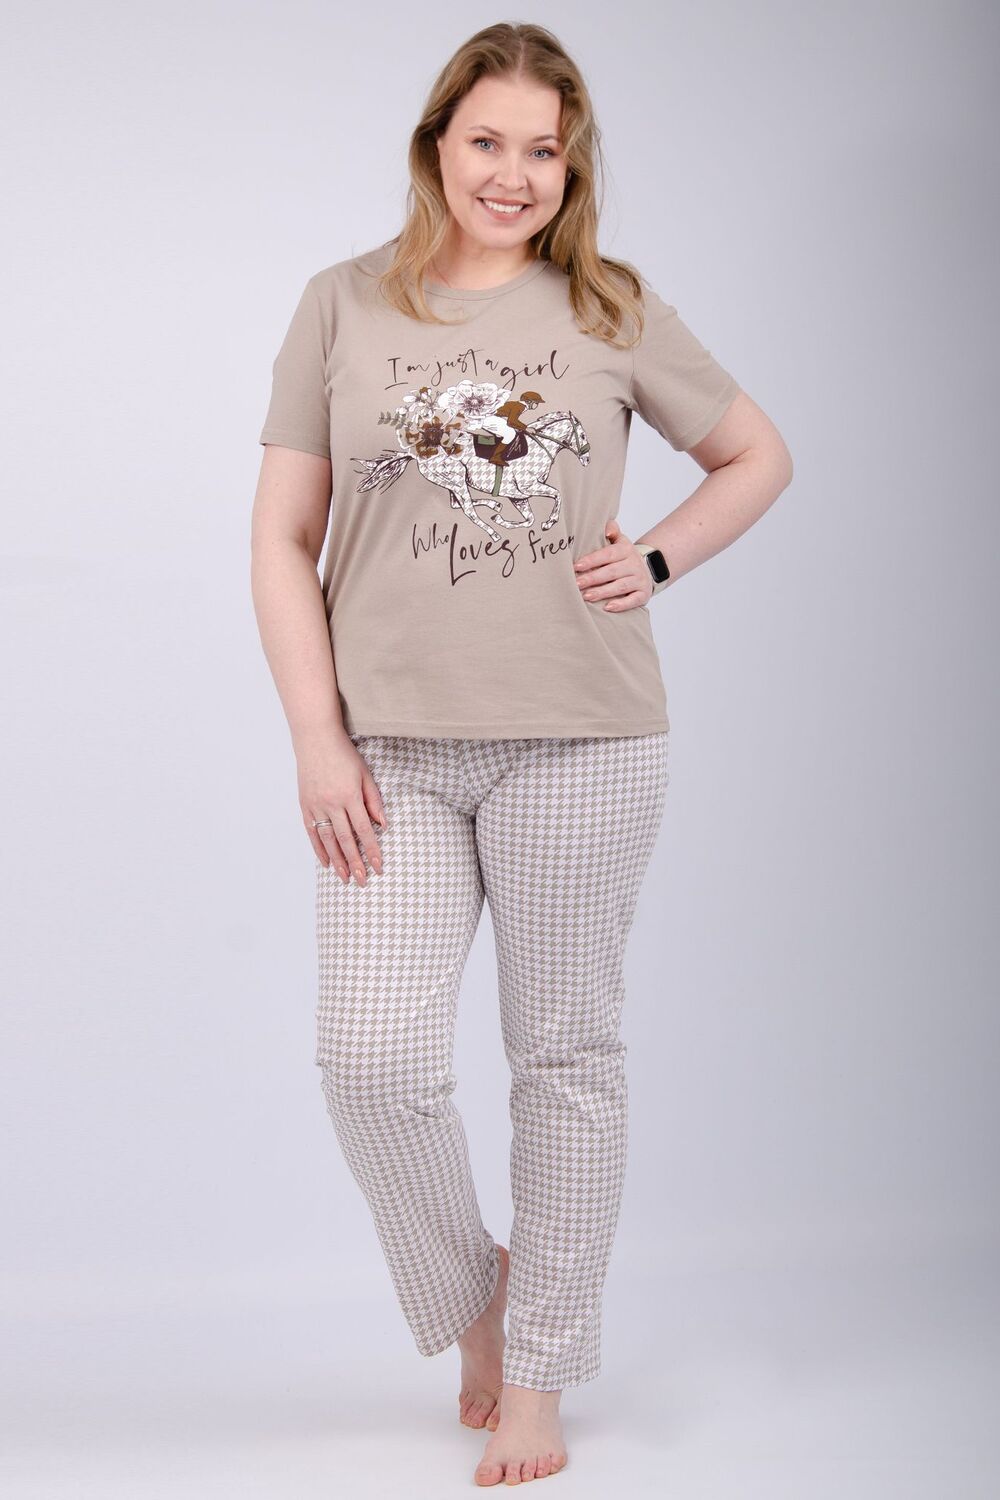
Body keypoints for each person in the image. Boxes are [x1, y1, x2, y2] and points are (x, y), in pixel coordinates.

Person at [250, 21, 792, 1488]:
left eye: (542, 150)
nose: (512, 174)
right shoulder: (341, 305)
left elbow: (757, 454)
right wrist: (317, 738)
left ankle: (539, 1372)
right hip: (393, 755)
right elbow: (281, 538)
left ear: (572, 165)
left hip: (583, 741)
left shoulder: (610, 307)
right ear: (436, 144)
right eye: (486, 141)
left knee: (563, 1060)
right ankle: (479, 1296)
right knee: (370, 1061)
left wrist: (658, 560)